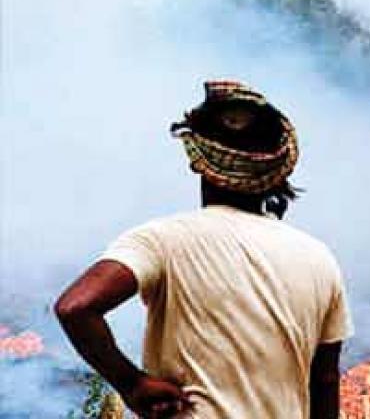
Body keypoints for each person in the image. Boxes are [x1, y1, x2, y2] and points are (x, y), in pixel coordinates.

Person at [55, 80, 352, 419]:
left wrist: (132, 383)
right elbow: (325, 380)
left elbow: (76, 307)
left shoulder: (162, 240)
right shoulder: (318, 258)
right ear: (274, 170)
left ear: (197, 158)